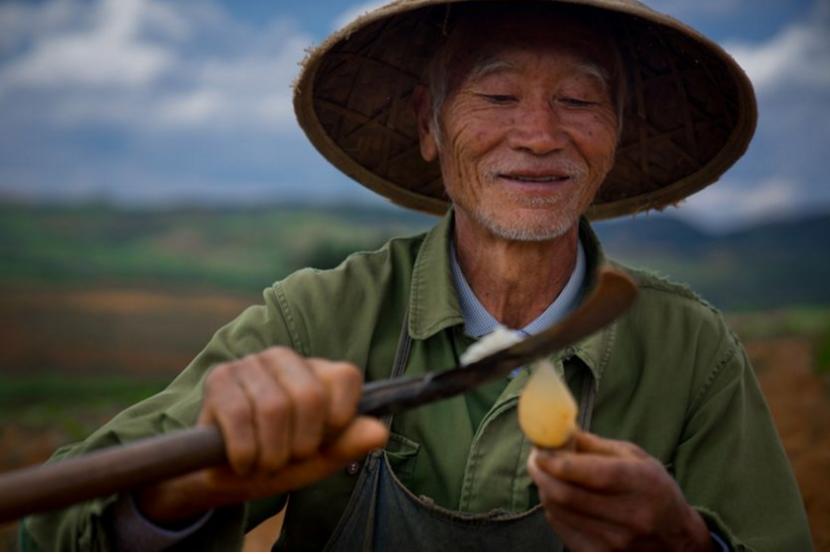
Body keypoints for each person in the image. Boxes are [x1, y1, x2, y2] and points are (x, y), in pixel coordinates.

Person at [22, 0, 813, 550]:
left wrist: (682, 543)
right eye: (496, 94)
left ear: (614, 135)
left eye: (579, 100)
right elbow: (52, 530)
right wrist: (183, 490)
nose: (540, 134)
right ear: (428, 126)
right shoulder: (319, 318)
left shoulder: (689, 347)